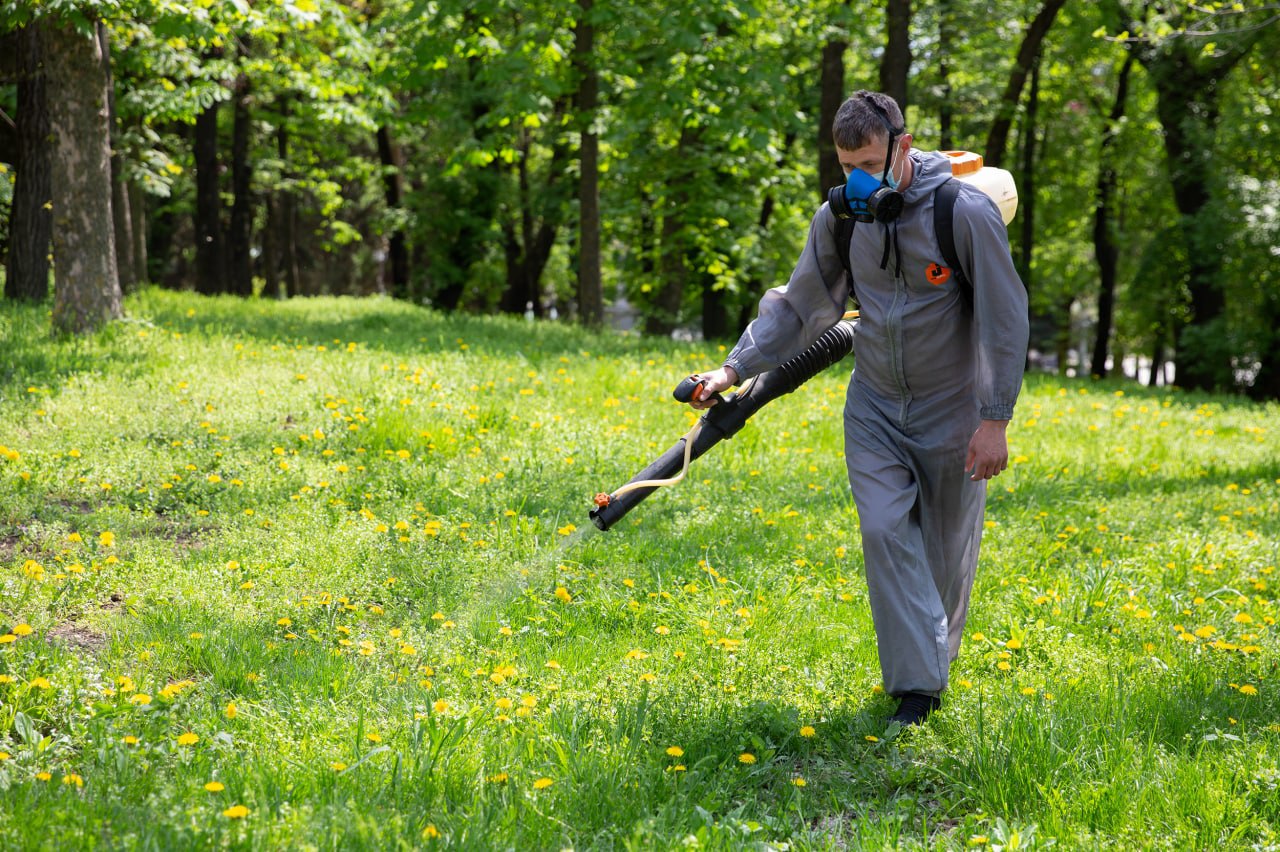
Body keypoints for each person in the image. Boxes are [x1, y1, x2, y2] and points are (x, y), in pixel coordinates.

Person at [688, 90, 1029, 727]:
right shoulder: (842, 218)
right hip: (874, 406)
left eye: (869, 163)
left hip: (953, 409)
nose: (857, 180)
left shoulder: (963, 212)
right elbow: (799, 306)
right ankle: (917, 692)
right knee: (881, 530)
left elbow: (1004, 320)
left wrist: (995, 419)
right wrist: (731, 368)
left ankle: (930, 671)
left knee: (945, 554)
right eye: (846, 167)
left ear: (903, 146)